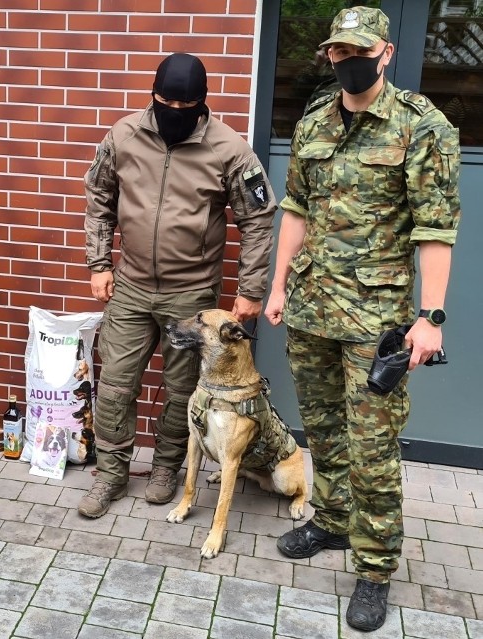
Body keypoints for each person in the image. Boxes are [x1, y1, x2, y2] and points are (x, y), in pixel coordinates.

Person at [263, 7, 461, 632]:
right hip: (310, 308)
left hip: (377, 320)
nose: (346, 60)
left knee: (372, 448)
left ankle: (374, 569)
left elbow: (436, 230)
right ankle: (330, 521)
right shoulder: (316, 119)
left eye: (358, 50)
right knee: (321, 430)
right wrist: (276, 286)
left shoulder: (421, 126)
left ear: (385, 52)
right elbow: (295, 206)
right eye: (336, 51)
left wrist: (431, 317)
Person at [79, 53, 277, 519]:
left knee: (182, 389)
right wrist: (98, 263)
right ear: (153, 95)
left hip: (191, 295)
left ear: (201, 104)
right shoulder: (123, 135)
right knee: (115, 386)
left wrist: (250, 290)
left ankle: (168, 466)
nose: (173, 109)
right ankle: (111, 473)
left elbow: (259, 217)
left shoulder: (229, 149)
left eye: (184, 104)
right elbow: (99, 198)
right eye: (165, 100)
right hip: (129, 285)